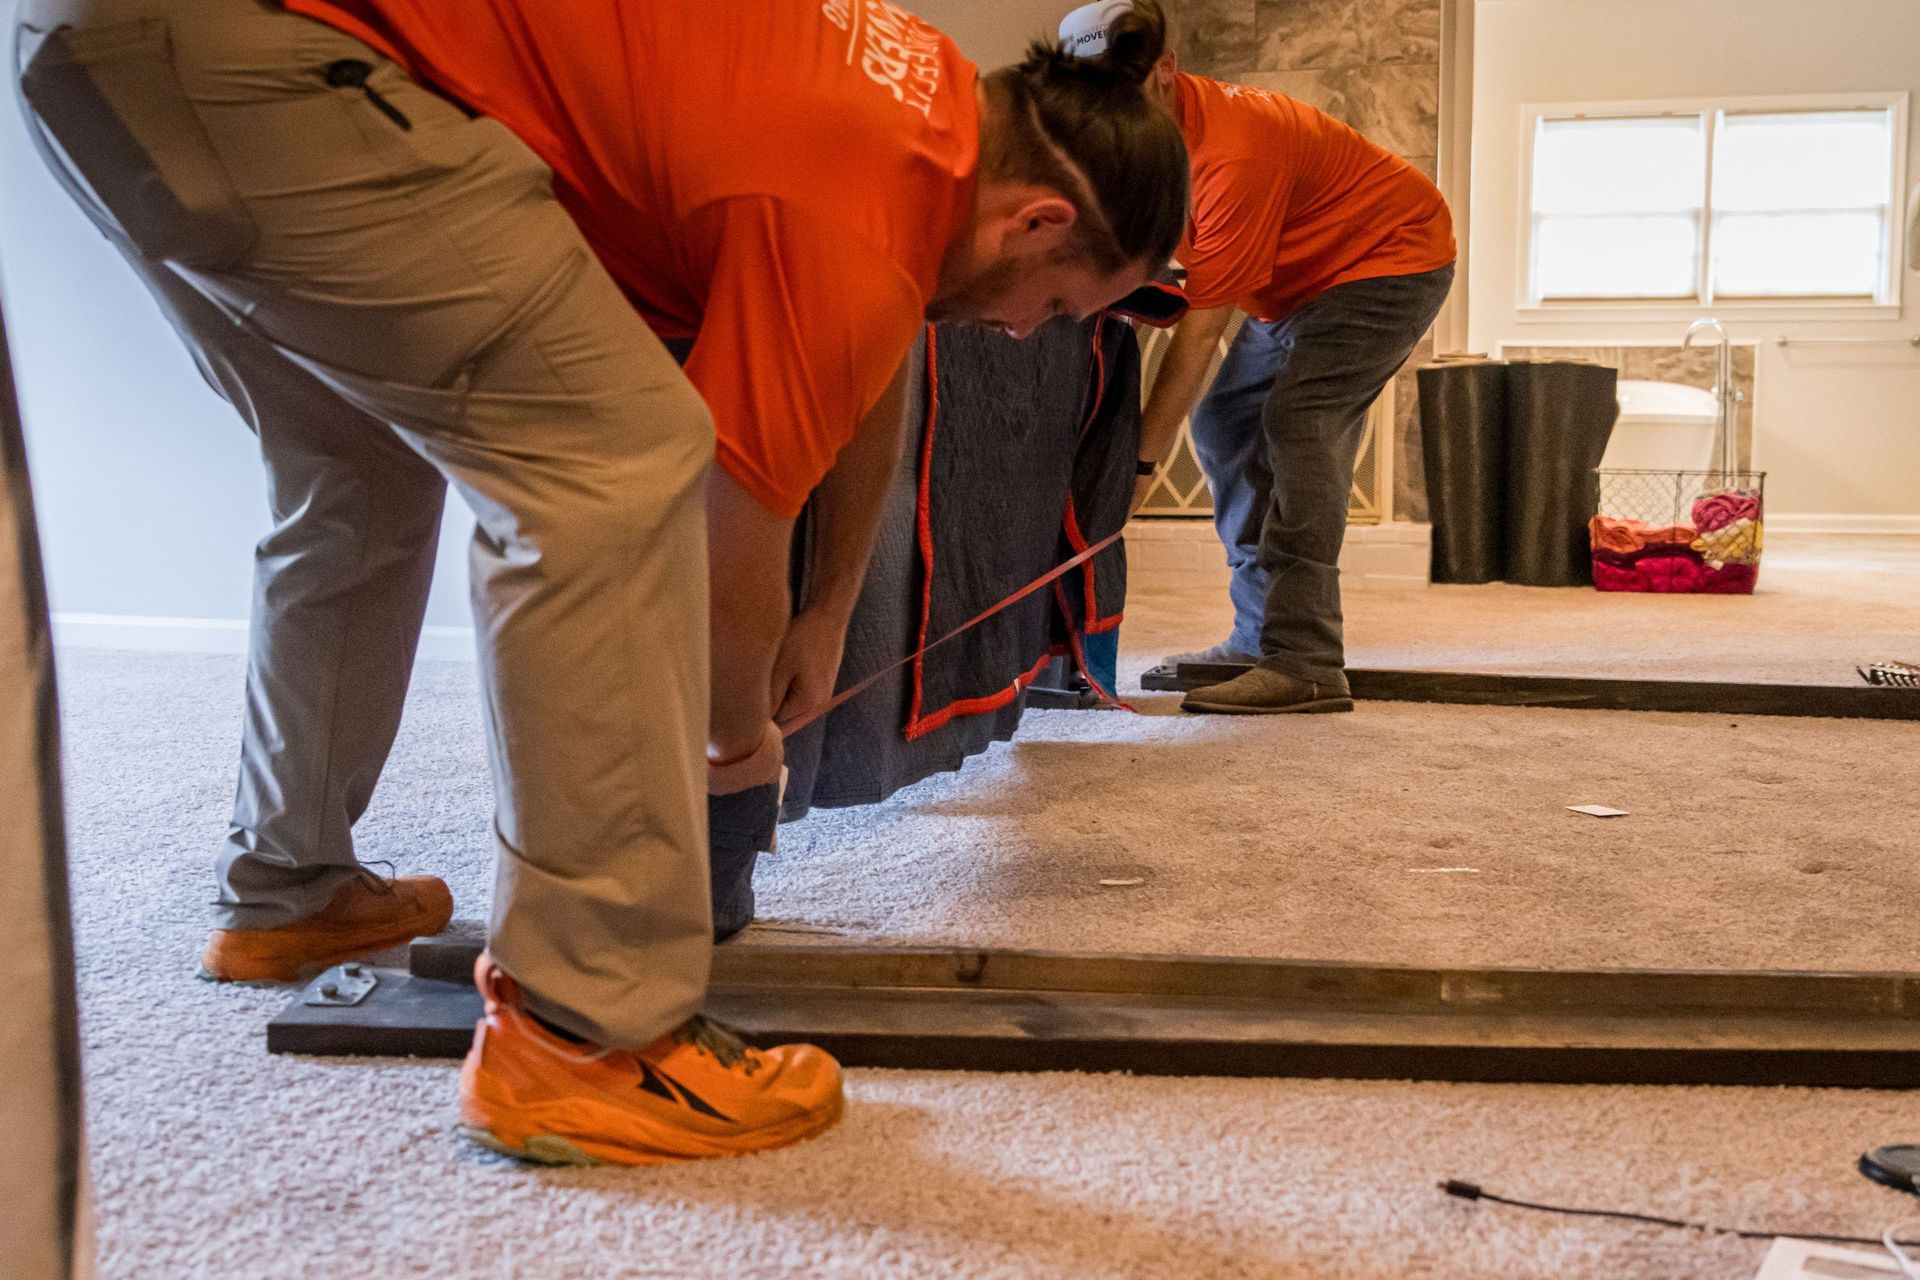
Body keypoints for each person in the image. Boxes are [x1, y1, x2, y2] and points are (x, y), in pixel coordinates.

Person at [16, 0, 1187, 1164]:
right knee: (611, 457)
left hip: (100, 43)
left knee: (354, 468)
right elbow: (730, 543)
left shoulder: (918, 112)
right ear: (1037, 220)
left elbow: (873, 343)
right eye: (1062, 305)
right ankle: (583, 1030)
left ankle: (287, 885)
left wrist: (828, 607)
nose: (1035, 332)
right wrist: (734, 759)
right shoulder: (856, 208)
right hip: (254, 48)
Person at [1062, 0, 1457, 714]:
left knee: (1300, 420)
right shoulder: (1114, 138)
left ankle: (1304, 658)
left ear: (1165, 71)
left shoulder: (1233, 150)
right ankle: (1257, 636)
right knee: (1224, 420)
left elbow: (1200, 331)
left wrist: (1140, 469)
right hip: (1294, 284)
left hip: (1389, 257)